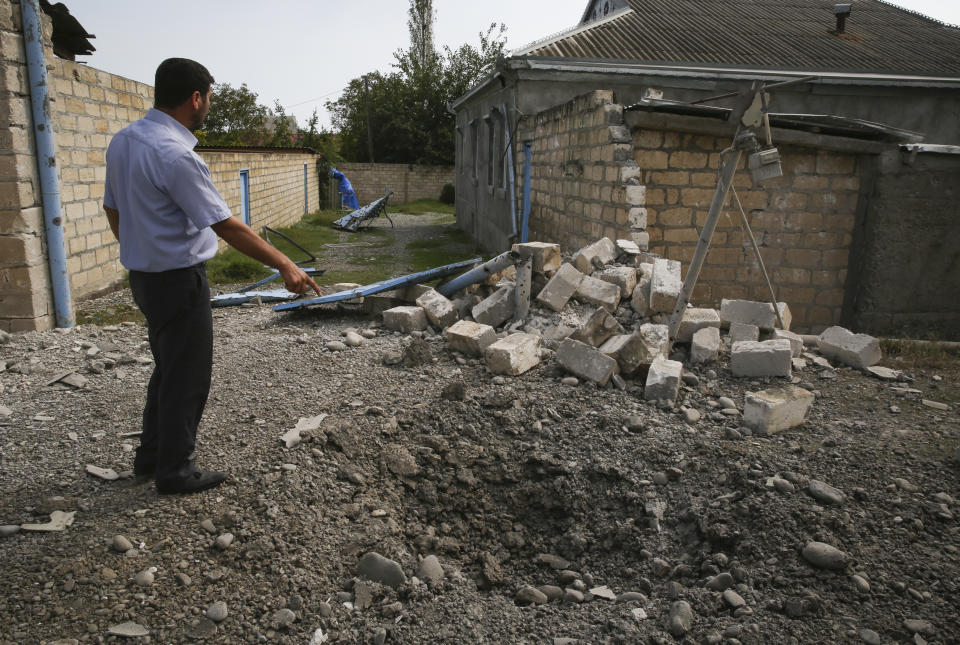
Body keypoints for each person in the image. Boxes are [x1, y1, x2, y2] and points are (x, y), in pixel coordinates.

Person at [102, 58, 320, 494]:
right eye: (208, 99)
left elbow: (113, 208)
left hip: (145, 278)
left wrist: (138, 249)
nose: (208, 108)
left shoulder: (124, 141)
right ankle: (175, 471)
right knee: (187, 377)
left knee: (167, 368)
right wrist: (285, 264)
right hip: (178, 280)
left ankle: (150, 458)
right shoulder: (176, 155)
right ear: (196, 98)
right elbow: (225, 225)